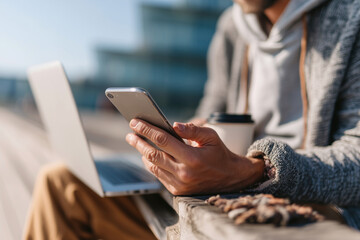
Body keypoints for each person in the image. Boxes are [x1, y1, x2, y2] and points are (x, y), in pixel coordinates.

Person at [24, 0, 360, 239]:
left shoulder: (351, 17)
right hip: (209, 205)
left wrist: (255, 170)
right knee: (62, 183)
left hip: (304, 218)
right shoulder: (231, 27)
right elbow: (211, 109)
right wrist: (183, 146)